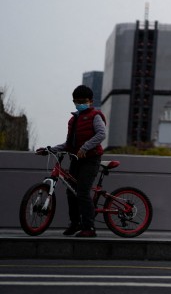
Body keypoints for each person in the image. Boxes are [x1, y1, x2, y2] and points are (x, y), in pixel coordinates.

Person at [36, 85, 107, 238]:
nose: (79, 104)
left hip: (91, 159)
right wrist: (49, 149)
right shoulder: (73, 120)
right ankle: (75, 223)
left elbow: (102, 134)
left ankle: (89, 227)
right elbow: (69, 145)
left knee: (82, 191)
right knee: (71, 191)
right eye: (77, 101)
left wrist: (85, 148)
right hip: (76, 158)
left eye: (83, 101)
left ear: (90, 101)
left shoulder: (95, 116)